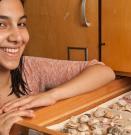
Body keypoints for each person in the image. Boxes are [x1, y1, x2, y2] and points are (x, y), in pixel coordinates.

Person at [0, 0, 115, 134]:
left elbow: (104, 72)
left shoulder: (29, 68)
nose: (19, 38)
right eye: (1, 24)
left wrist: (52, 95)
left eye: (21, 24)